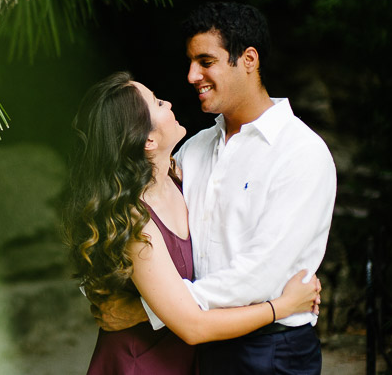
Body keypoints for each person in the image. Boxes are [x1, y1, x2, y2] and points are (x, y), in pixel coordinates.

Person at [93, 3, 337, 375]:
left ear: (249, 60)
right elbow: (128, 212)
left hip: (268, 350)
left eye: (206, 61)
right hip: (199, 347)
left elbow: (260, 275)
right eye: (191, 62)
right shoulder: (194, 149)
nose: (192, 75)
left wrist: (145, 309)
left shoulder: (301, 154)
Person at [64, 71, 320, 375]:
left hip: (187, 359)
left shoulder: (183, 175)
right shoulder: (136, 221)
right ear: (148, 139)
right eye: (158, 103)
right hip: (143, 364)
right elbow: (192, 326)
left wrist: (140, 311)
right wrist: (283, 306)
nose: (169, 103)